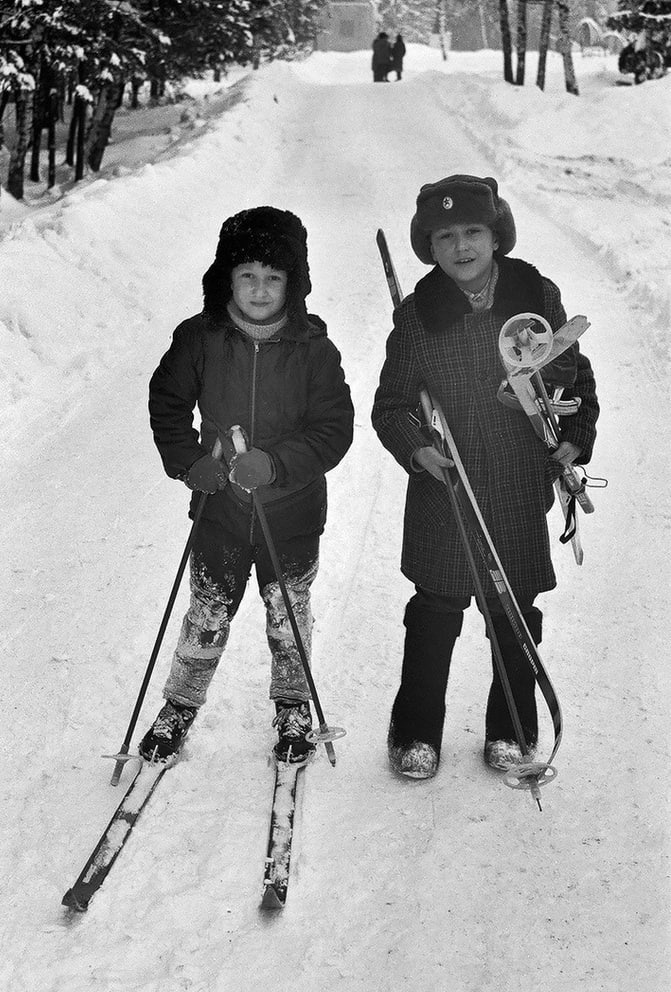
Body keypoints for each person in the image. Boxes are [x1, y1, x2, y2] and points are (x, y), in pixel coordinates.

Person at [372, 174, 599, 780]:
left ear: (496, 236)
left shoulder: (535, 294)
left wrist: (577, 438)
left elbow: (576, 378)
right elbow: (390, 405)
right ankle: (415, 729)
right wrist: (418, 450)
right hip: (443, 488)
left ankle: (513, 727)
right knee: (436, 609)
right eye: (444, 236)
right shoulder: (418, 316)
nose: (461, 246)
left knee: (513, 609)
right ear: (430, 246)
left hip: (516, 485)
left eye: (473, 231)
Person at [141, 206, 354, 764]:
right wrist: (190, 462)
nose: (260, 290)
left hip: (293, 512)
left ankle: (293, 705)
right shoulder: (200, 339)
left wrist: (278, 463)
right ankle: (179, 705)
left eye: (274, 277)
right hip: (221, 510)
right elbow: (166, 404)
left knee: (288, 612)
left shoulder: (313, 348)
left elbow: (334, 428)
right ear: (226, 278)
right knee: (208, 609)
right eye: (247, 275)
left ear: (294, 282)